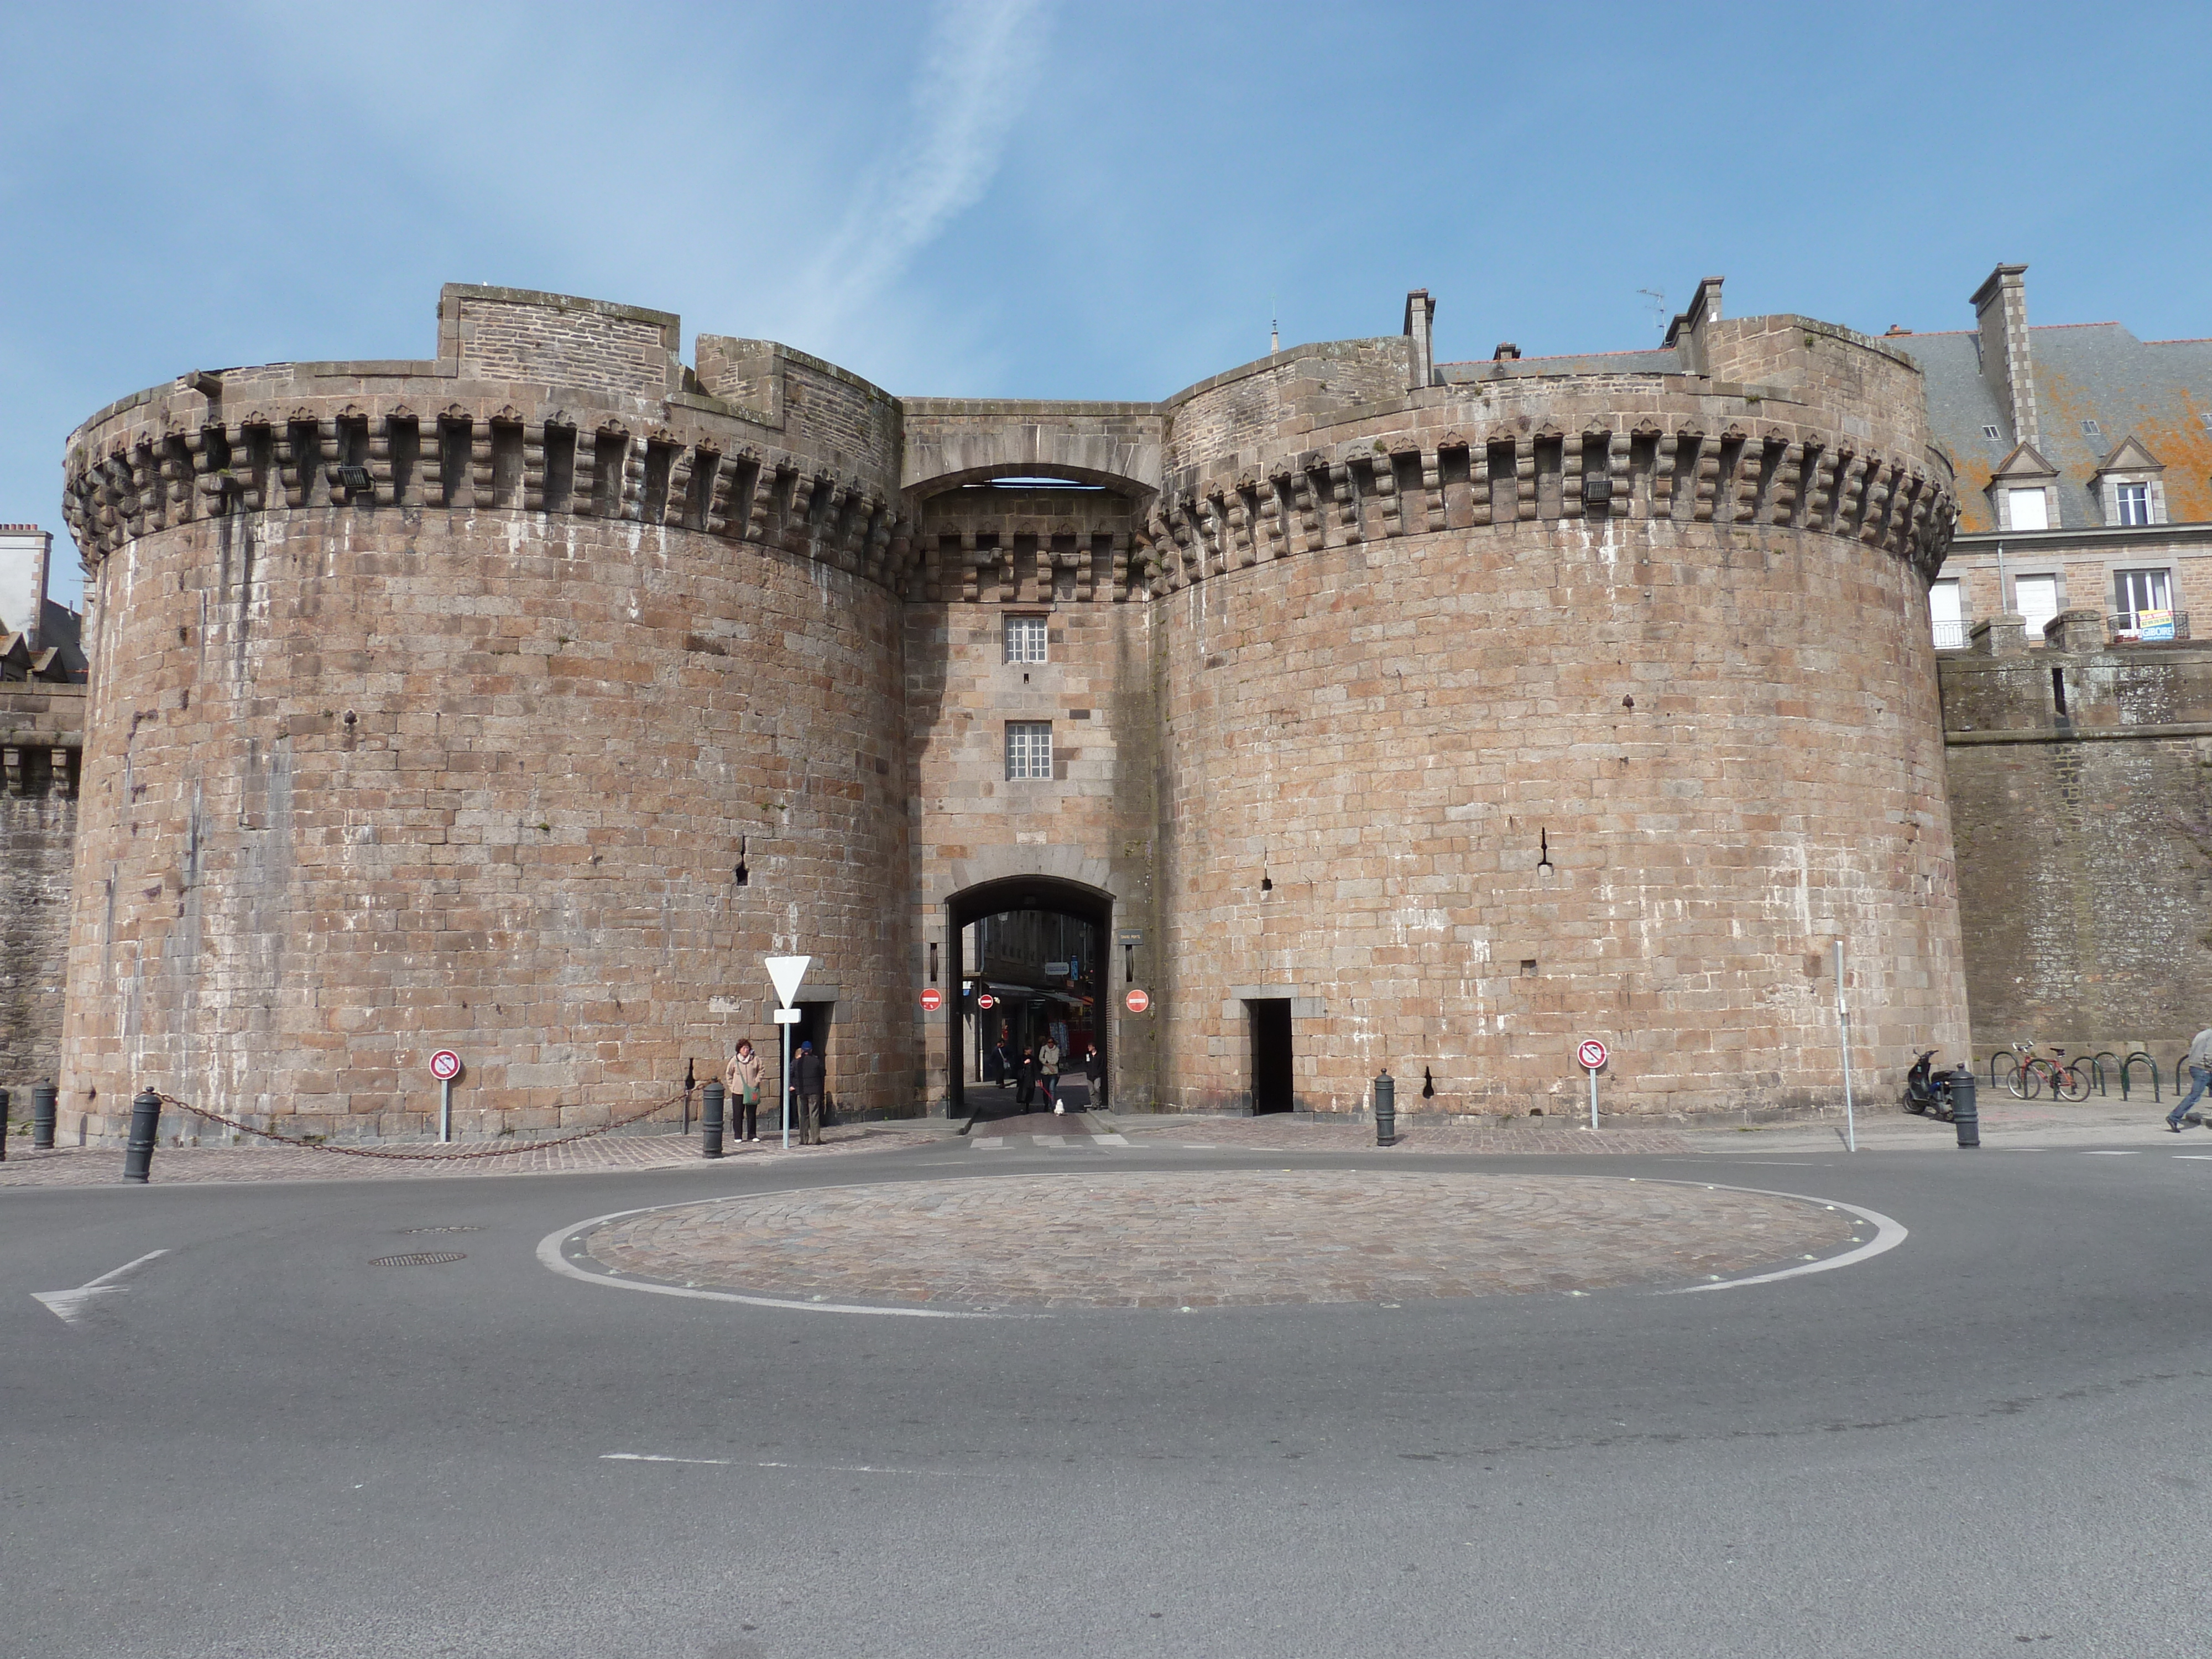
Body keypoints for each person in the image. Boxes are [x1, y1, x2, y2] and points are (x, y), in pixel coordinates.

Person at [2168, 1025, 2212, 1130]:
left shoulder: (2203, 1034)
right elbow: (2210, 1055)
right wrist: (2210, 1067)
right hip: (2204, 1069)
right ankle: (2174, 1117)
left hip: (2195, 1066)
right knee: (2195, 1096)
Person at [727, 1039, 762, 1142]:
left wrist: (756, 1081)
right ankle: (738, 1135)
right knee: (738, 1114)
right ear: (739, 1050)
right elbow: (728, 1073)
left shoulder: (755, 1059)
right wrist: (731, 1086)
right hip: (738, 1091)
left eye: (747, 1048)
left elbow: (762, 1070)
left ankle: (752, 1134)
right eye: (744, 1048)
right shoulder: (734, 1060)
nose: (746, 1050)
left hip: (752, 1090)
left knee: (751, 1113)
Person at [795, 1039, 827, 1145]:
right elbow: (822, 1074)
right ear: (811, 1050)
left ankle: (803, 1139)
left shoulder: (797, 1062)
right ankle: (816, 1139)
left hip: (801, 1092)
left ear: (803, 1051)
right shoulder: (816, 1061)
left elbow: (793, 1075)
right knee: (814, 1114)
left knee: (803, 1115)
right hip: (814, 1092)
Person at [1040, 1035, 1063, 1114]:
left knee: (1052, 1089)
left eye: (1052, 1042)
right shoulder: (1044, 1049)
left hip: (1054, 1072)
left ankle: (1053, 1105)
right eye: (1049, 1042)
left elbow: (1056, 1060)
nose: (1050, 1044)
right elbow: (1040, 1058)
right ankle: (1046, 1105)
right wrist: (1049, 1065)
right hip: (1045, 1072)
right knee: (1046, 1089)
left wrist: (1047, 1062)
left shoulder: (1057, 1049)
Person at [1015, 1046, 1039, 1111]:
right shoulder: (1020, 1058)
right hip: (1023, 1077)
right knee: (1023, 1092)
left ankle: (1027, 1106)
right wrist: (1024, 1063)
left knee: (1030, 1092)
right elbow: (1017, 1066)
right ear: (1025, 1050)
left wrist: (1038, 1078)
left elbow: (1035, 1068)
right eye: (1029, 1049)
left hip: (1031, 1077)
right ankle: (1023, 1106)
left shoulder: (1032, 1058)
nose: (1031, 1051)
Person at [1084, 1043, 1104, 1111]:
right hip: (1090, 1076)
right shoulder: (1088, 1055)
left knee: (1097, 1088)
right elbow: (1086, 1064)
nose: (1088, 1048)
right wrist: (1087, 1071)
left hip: (1097, 1075)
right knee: (1091, 1091)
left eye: (1090, 1046)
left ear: (1094, 1047)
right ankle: (1094, 1104)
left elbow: (1102, 1064)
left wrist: (1099, 1072)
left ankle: (1099, 1103)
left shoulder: (1099, 1055)